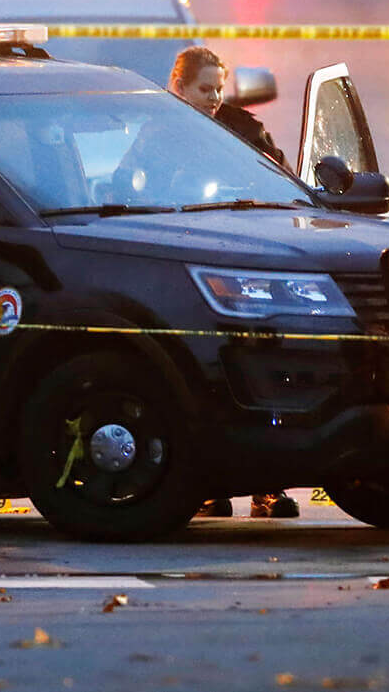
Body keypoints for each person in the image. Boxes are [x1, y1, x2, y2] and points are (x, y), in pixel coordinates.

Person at [164, 45, 299, 520]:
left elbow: (287, 188)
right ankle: (208, 486)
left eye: (219, 89)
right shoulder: (154, 133)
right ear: (176, 87)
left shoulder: (246, 130)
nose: (214, 99)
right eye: (205, 90)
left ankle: (270, 486)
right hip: (191, 274)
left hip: (252, 271)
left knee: (266, 377)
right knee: (205, 380)